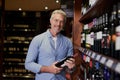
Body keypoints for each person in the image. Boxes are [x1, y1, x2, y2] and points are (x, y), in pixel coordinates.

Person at [25, 9, 75, 80]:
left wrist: (71, 67)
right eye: (56, 20)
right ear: (50, 21)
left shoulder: (68, 42)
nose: (58, 24)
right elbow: (28, 64)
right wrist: (48, 69)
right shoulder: (37, 39)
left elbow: (68, 69)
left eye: (61, 21)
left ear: (64, 24)